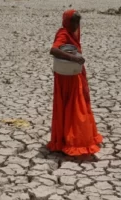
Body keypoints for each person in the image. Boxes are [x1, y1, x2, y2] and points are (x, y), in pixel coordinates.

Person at [47, 9, 103, 156]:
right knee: (73, 106)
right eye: (74, 22)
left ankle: (75, 138)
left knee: (77, 104)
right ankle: (71, 141)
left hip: (74, 73)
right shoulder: (63, 33)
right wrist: (72, 58)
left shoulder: (74, 33)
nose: (77, 25)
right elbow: (53, 50)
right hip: (66, 77)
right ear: (67, 22)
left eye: (78, 22)